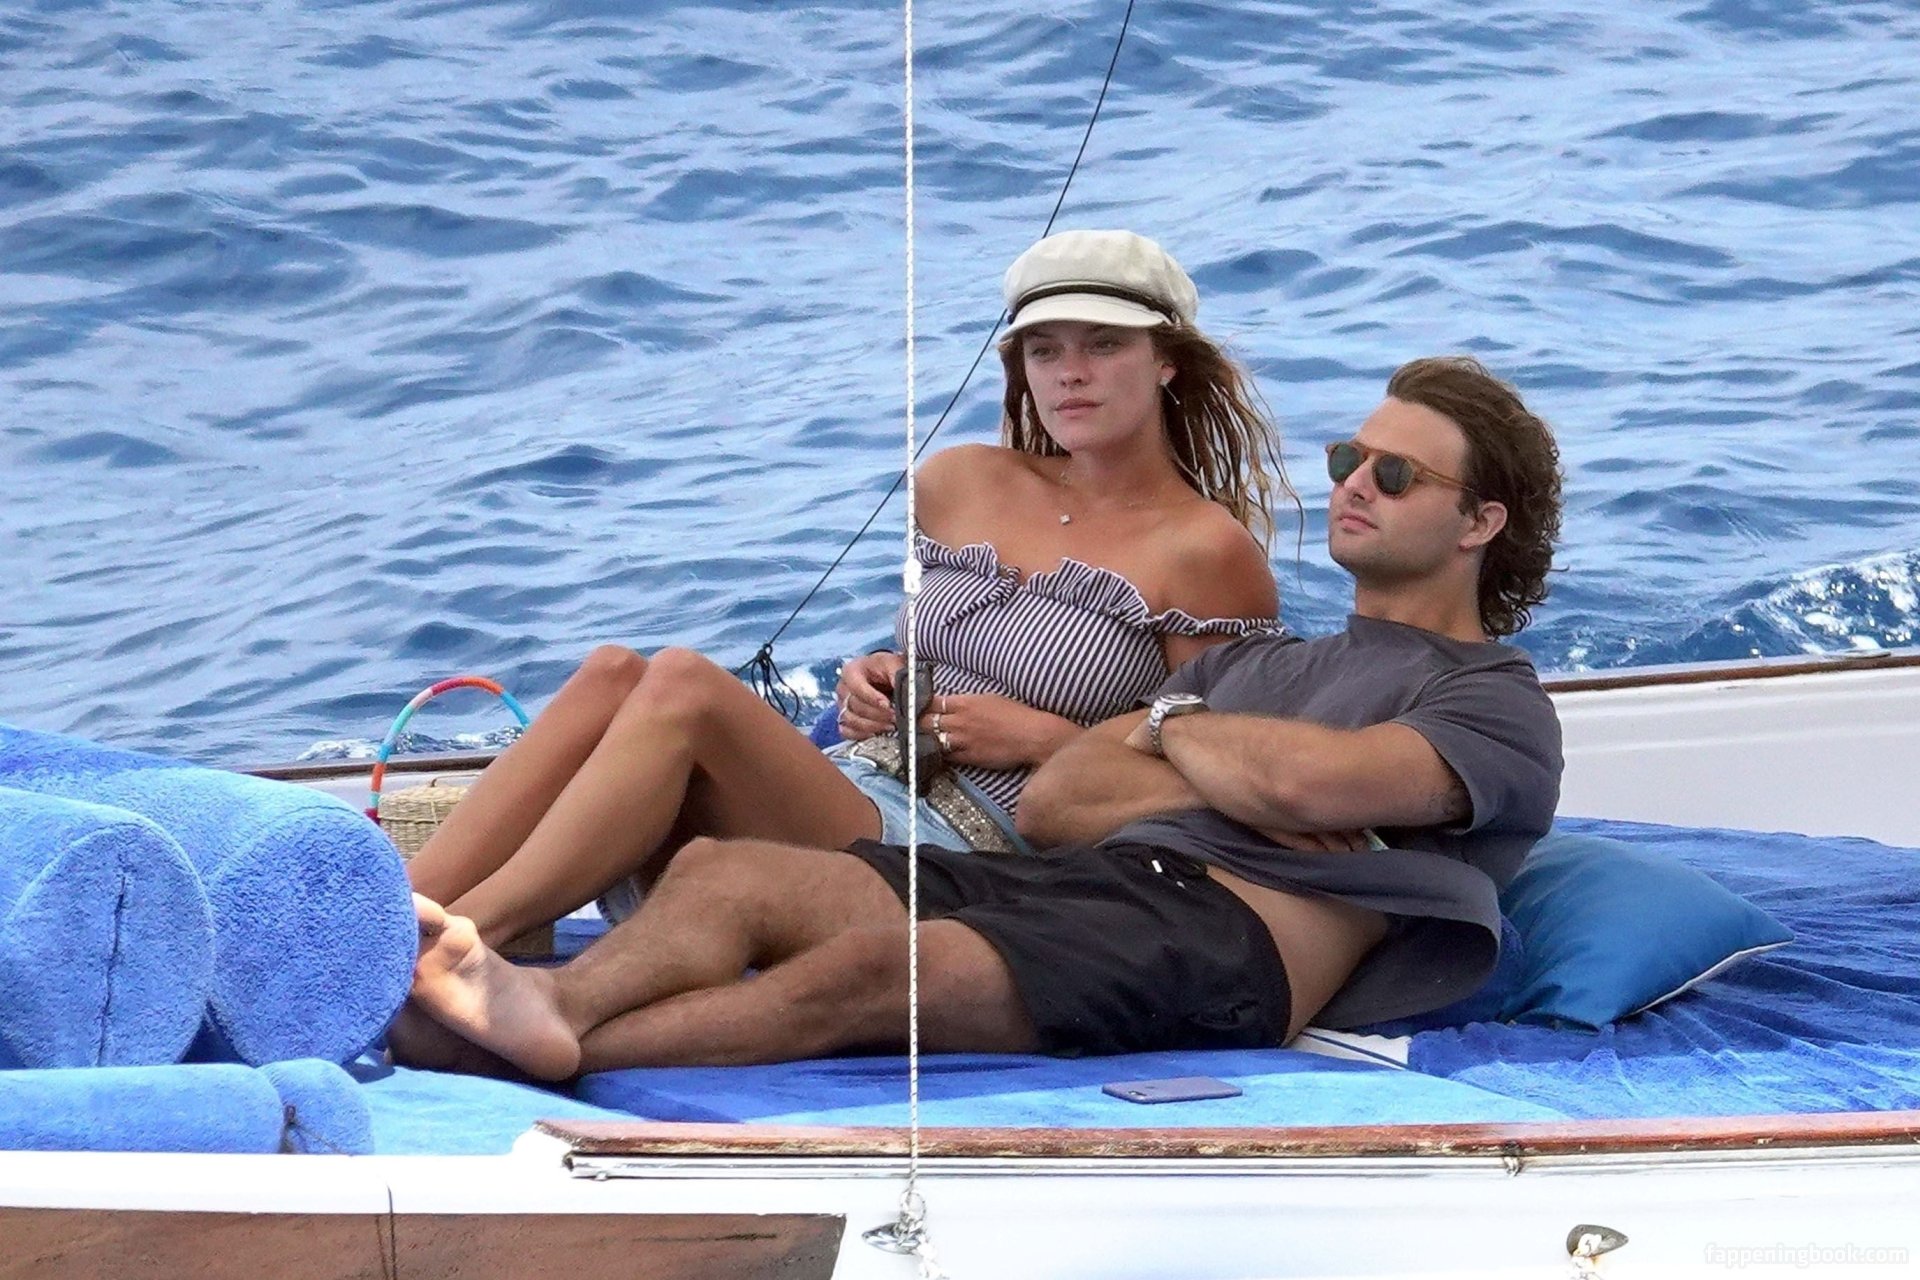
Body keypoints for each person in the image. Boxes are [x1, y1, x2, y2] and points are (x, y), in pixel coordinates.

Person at [395, 354, 1565, 1079]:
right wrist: (1197, 748)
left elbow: (1309, 787)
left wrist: (1178, 741)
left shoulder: (1495, 704)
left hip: (1229, 941)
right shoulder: (1273, 669)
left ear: (1480, 524)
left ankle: (539, 1038)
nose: (1352, 482)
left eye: (1395, 474)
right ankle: (532, 998)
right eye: (1352, 456)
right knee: (723, 872)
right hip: (1090, 878)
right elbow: (1063, 798)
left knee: (873, 968)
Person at [399, 228, 1289, 954]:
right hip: (853, 783)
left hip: (963, 857)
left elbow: (1219, 769)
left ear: (1167, 362)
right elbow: (938, 646)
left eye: (1104, 345)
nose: (1070, 373)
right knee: (611, 672)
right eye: (1044, 350)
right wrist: (875, 674)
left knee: (681, 684)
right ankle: (395, 913)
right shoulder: (961, 481)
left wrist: (1047, 741)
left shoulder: (1205, 551)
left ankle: (463, 940)